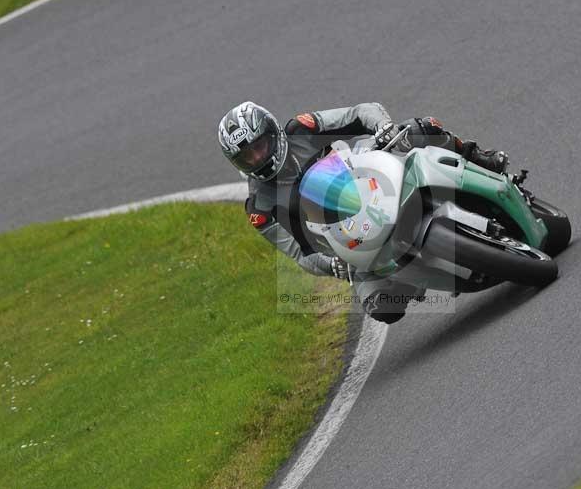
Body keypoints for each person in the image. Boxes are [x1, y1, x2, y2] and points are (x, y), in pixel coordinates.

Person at [216, 101, 508, 324]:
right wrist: (331, 265)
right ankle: (424, 276)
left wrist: (382, 126)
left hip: (371, 180)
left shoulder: (301, 129)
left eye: (260, 146)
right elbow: (299, 253)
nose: (258, 157)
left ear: (271, 132)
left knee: (421, 128)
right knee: (383, 307)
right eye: (247, 156)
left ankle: (477, 158)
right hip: (350, 243)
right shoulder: (260, 209)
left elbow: (359, 113)